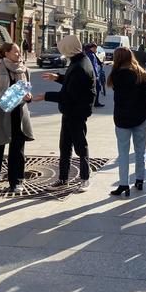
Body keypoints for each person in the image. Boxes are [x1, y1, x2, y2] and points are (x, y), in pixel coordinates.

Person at [42, 35, 96, 190]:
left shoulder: (80, 65)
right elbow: (71, 81)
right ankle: (63, 179)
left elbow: (69, 95)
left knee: (80, 146)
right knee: (65, 147)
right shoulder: (79, 60)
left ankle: (85, 178)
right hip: (70, 111)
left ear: (68, 49)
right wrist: (58, 77)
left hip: (76, 112)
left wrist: (45, 96)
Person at [0, 42, 34, 194]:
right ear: (6, 54)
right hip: (1, 113)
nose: (19, 54)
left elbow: (28, 92)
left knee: (17, 150)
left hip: (19, 114)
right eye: (16, 52)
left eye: (19, 52)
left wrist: (28, 97)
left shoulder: (25, 70)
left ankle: (17, 182)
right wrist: (3, 100)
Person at [107, 47, 146, 197]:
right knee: (141, 151)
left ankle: (123, 184)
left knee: (123, 153)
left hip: (121, 119)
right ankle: (139, 180)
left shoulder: (115, 75)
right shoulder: (140, 73)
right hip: (139, 117)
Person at [85, 43, 105, 108]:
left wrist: (100, 63)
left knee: (93, 89)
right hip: (94, 75)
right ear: (92, 48)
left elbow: (97, 61)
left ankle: (93, 102)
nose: (96, 49)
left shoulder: (89, 54)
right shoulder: (91, 55)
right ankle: (96, 102)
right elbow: (93, 66)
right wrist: (96, 75)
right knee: (97, 88)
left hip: (90, 74)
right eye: (95, 48)